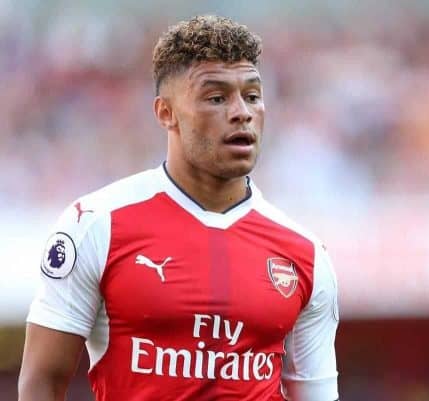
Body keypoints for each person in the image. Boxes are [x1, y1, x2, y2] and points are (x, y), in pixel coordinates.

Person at [18, 15, 339, 401]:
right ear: (165, 113)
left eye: (252, 96)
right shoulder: (95, 225)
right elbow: (42, 381)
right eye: (216, 98)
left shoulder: (304, 255)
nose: (242, 112)